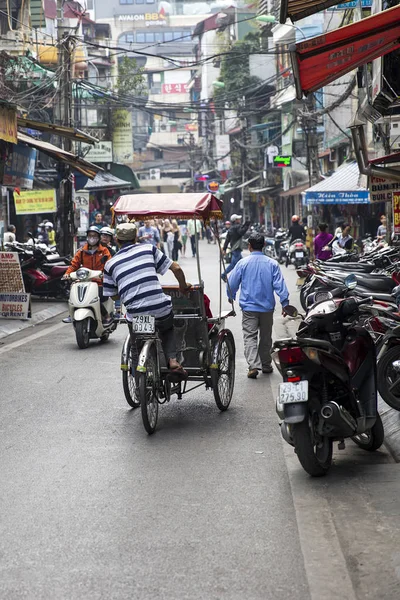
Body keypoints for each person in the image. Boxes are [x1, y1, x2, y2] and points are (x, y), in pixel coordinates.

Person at [103, 223, 191, 376]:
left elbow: (113, 295)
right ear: (136, 237)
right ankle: (172, 360)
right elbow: (176, 268)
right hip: (160, 309)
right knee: (167, 329)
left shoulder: (110, 264)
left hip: (136, 314)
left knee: (136, 347)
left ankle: (138, 383)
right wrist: (183, 286)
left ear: (116, 240)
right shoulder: (148, 249)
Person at [228, 232, 290, 379]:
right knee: (266, 337)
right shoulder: (272, 264)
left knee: (250, 337)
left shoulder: (242, 263)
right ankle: (266, 365)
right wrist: (285, 303)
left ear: (249, 247)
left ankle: (253, 366)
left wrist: (231, 296)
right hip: (267, 308)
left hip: (249, 308)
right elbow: (280, 285)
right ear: (263, 245)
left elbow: (232, 283)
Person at [62, 226, 112, 323]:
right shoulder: (81, 251)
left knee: (97, 296)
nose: (92, 238)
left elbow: (109, 265)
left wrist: (105, 275)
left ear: (98, 238)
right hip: (84, 281)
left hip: (99, 282)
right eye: (90, 236)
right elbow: (74, 265)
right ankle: (71, 314)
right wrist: (67, 274)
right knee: (73, 291)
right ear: (87, 237)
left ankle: (106, 315)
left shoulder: (104, 251)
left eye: (94, 236)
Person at [221, 214, 250, 281]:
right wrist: (247, 225)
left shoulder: (231, 228)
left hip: (234, 248)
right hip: (236, 248)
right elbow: (241, 232)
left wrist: (224, 249)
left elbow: (227, 240)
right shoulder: (237, 227)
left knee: (242, 263)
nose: (239, 220)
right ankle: (223, 274)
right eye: (238, 219)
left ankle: (243, 276)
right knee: (233, 264)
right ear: (236, 220)